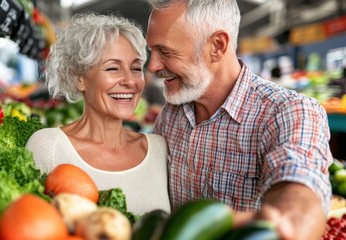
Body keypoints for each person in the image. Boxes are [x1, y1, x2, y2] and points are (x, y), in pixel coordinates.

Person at [145, 0, 332, 239]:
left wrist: (288, 221)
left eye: (166, 51)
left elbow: (300, 184)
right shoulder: (173, 111)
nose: (152, 66)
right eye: (152, 50)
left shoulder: (288, 111)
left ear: (217, 46)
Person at [25, 13, 171, 215]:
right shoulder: (48, 148)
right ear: (78, 78)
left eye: (136, 68)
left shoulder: (159, 149)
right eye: (113, 68)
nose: (130, 81)